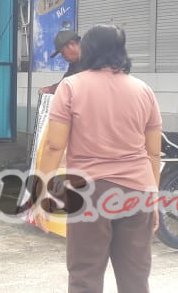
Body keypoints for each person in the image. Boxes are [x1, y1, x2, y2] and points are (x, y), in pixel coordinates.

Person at [34, 24, 161, 293]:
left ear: (87, 51)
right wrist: (154, 198)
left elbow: (55, 147)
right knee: (135, 278)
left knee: (85, 276)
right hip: (138, 191)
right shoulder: (144, 91)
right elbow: (152, 152)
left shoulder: (70, 88)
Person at [39, 30, 83, 95]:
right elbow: (65, 81)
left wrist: (50, 89)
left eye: (62, 52)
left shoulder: (92, 58)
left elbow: (74, 84)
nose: (63, 56)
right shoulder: (74, 63)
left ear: (72, 44)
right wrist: (50, 89)